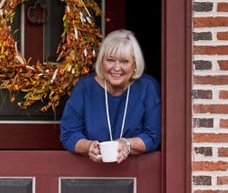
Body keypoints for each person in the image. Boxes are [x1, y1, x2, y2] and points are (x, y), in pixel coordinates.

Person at [59, 29, 161, 164]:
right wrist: (88, 146)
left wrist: (128, 144)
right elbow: (69, 134)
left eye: (124, 61)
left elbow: (153, 136)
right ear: (102, 62)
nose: (116, 68)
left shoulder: (148, 87)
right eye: (110, 60)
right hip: (90, 172)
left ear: (135, 64)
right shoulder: (84, 87)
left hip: (136, 171)